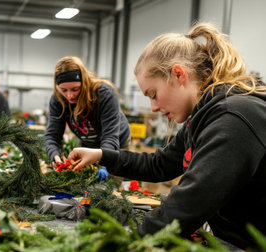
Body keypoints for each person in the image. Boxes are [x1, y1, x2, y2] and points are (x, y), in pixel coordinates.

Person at [68, 23, 266, 250]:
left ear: (178, 74)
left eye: (153, 94)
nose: (153, 107)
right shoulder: (201, 118)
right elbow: (159, 165)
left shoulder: (234, 117)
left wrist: (124, 241)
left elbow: (192, 201)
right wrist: (102, 155)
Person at [44, 56, 131, 178]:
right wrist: (55, 156)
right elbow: (52, 135)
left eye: (75, 89)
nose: (70, 95)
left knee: (110, 186)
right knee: (81, 182)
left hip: (116, 144)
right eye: (64, 90)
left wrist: (104, 165)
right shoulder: (58, 100)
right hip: (87, 144)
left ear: (84, 82)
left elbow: (110, 137)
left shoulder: (104, 94)